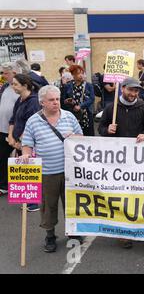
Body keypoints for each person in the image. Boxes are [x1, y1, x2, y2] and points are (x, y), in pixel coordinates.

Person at [20, 85, 83, 252]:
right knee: (49, 206)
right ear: (42, 102)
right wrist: (25, 154)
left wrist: (74, 136)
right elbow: (27, 143)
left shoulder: (69, 116)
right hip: (47, 172)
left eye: (57, 99)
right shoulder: (33, 120)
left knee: (71, 204)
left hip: (70, 171)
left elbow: (82, 138)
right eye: (51, 100)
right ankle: (50, 235)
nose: (56, 103)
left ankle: (73, 233)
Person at [98, 77, 144, 249]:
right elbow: (101, 128)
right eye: (131, 90)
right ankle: (123, 232)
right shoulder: (111, 108)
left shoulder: (142, 107)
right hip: (117, 161)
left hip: (137, 160)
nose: (133, 94)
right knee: (120, 195)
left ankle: (136, 224)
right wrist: (107, 130)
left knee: (136, 194)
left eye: (136, 91)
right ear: (122, 89)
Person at [7, 73, 41, 211]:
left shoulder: (33, 102)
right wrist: (10, 136)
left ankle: (32, 203)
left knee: (29, 170)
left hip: (27, 143)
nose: (13, 86)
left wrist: (21, 141)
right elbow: (13, 119)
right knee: (23, 171)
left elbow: (31, 124)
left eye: (15, 84)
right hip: (17, 141)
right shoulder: (19, 100)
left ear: (25, 85)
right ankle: (27, 199)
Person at [0, 62, 20, 196]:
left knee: (22, 159)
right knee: (2, 157)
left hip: (16, 131)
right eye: (2, 72)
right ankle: (4, 185)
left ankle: (22, 189)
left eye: (6, 73)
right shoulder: (5, 87)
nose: (3, 75)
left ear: (14, 73)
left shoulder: (20, 88)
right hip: (2, 129)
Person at [64, 65, 95, 136]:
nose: (81, 75)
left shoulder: (88, 85)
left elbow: (92, 99)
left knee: (88, 134)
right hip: (72, 114)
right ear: (73, 75)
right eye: (78, 73)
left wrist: (80, 106)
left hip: (86, 114)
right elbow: (64, 100)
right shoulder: (68, 86)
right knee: (75, 134)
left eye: (82, 73)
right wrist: (68, 101)